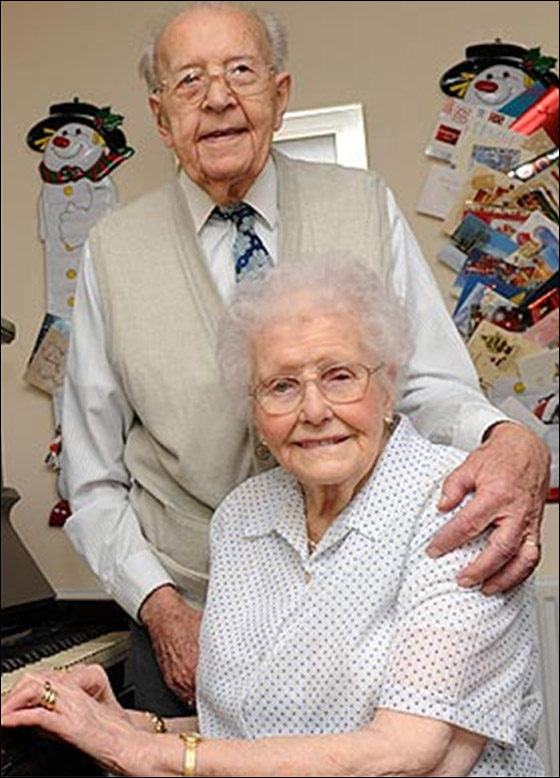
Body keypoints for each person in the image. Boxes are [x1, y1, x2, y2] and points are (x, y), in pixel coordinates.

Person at [60, 0, 550, 714]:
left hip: (368, 604)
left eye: (241, 71)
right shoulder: (111, 253)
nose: (218, 98)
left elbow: (430, 387)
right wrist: (160, 608)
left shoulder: (365, 203)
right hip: (185, 610)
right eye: (190, 80)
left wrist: (506, 438)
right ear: (161, 118)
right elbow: (92, 479)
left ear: (280, 94)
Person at [2, 259, 544, 777]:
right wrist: (137, 724)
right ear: (255, 409)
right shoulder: (241, 518)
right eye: (281, 386)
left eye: (339, 376)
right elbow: (253, 734)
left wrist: (142, 754)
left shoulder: (459, 507)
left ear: (388, 386)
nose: (314, 410)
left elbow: (412, 754)